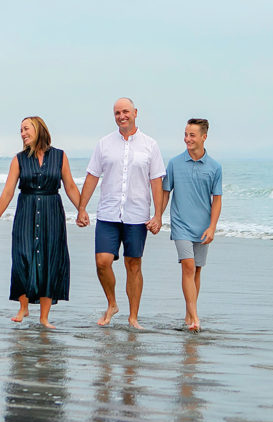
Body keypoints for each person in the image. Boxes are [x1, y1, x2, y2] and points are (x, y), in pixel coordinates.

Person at [0, 116, 82, 329]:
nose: (22, 133)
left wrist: (81, 209)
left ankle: (44, 317)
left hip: (51, 211)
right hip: (26, 210)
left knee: (50, 260)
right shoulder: (18, 159)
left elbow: (70, 187)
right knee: (22, 257)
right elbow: (8, 191)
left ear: (39, 129)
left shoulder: (60, 156)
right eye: (20, 130)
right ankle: (23, 307)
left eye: (26, 129)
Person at [76, 98, 165, 328]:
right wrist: (82, 208)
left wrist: (158, 215)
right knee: (102, 262)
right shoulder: (104, 144)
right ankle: (112, 303)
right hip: (108, 214)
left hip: (137, 215)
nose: (121, 116)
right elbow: (92, 176)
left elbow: (156, 181)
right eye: (117, 113)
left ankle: (133, 317)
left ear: (135, 112)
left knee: (133, 264)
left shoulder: (150, 145)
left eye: (125, 111)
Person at [156, 118, 222, 332]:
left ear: (204, 137)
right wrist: (158, 216)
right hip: (181, 224)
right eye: (186, 134)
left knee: (196, 271)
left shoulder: (215, 167)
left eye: (192, 135)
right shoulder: (175, 163)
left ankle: (188, 313)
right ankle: (195, 317)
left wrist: (212, 227)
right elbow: (165, 192)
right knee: (188, 266)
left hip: (202, 226)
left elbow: (217, 200)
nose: (187, 139)